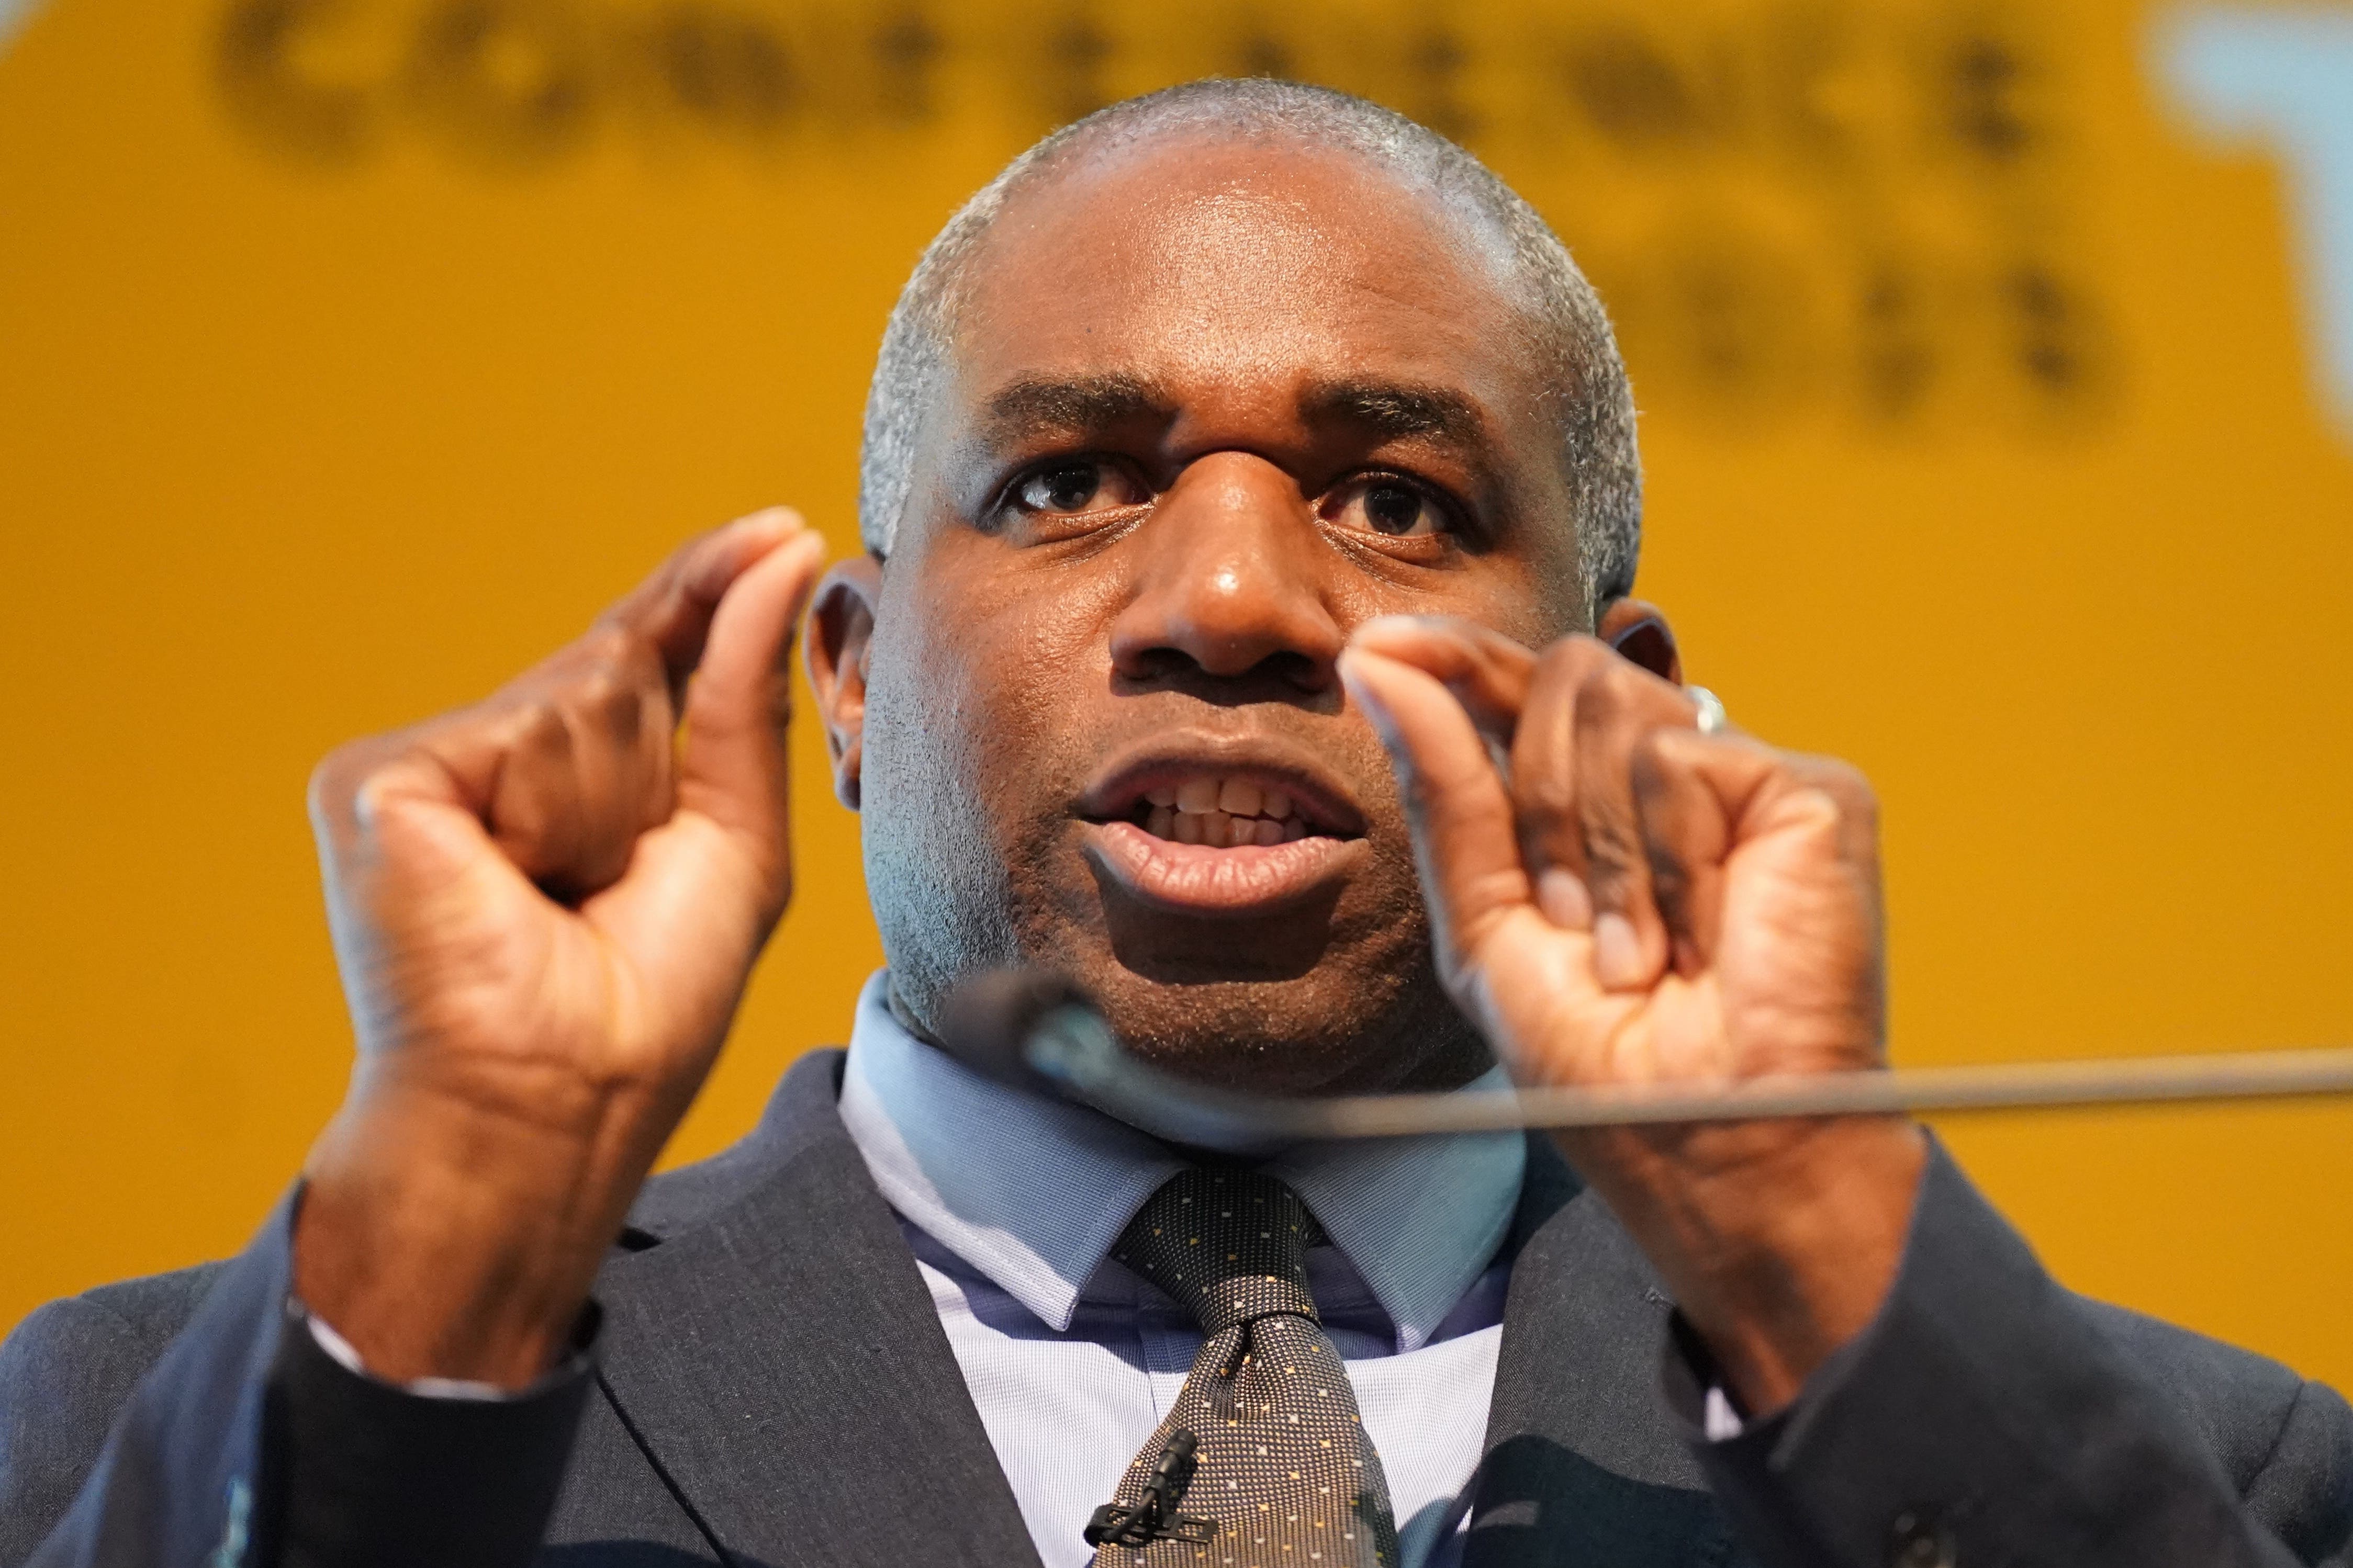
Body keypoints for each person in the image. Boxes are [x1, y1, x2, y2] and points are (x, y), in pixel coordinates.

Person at [1, 78, 2346, 1568]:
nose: (1230, 601)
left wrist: (1805, 1219)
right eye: (1063, 483)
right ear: (838, 681)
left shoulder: (2202, 1483)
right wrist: (446, 1248)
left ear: (1616, 719)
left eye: (1396, 499)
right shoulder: (168, 1433)